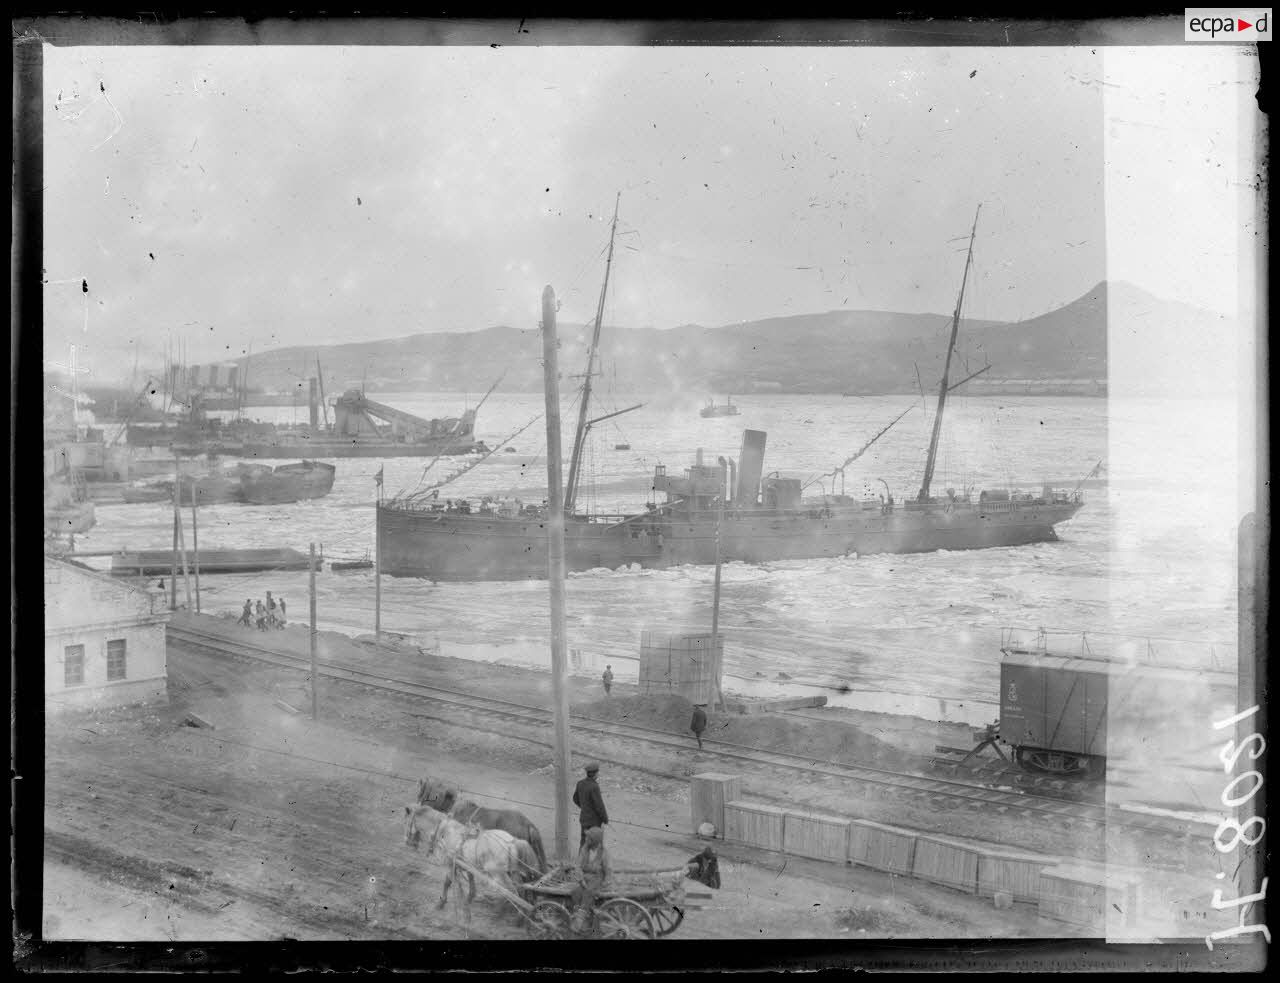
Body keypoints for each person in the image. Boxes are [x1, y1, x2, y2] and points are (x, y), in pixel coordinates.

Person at [569, 826, 611, 931]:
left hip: (598, 878)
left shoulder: (603, 852)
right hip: (585, 877)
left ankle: (580, 919)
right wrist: (581, 879)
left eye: (588, 838)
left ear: (595, 841)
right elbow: (578, 866)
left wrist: (606, 882)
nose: (586, 839)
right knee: (576, 892)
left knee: (589, 891)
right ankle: (585, 917)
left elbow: (608, 869)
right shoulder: (584, 849)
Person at [572, 762, 608, 848]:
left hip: (584, 818)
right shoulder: (594, 787)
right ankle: (598, 861)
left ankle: (581, 860)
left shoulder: (580, 783)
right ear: (595, 774)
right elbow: (599, 806)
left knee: (583, 842)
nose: (598, 774)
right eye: (597, 772)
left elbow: (575, 799)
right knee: (598, 843)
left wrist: (585, 807)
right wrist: (605, 819)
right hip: (594, 822)